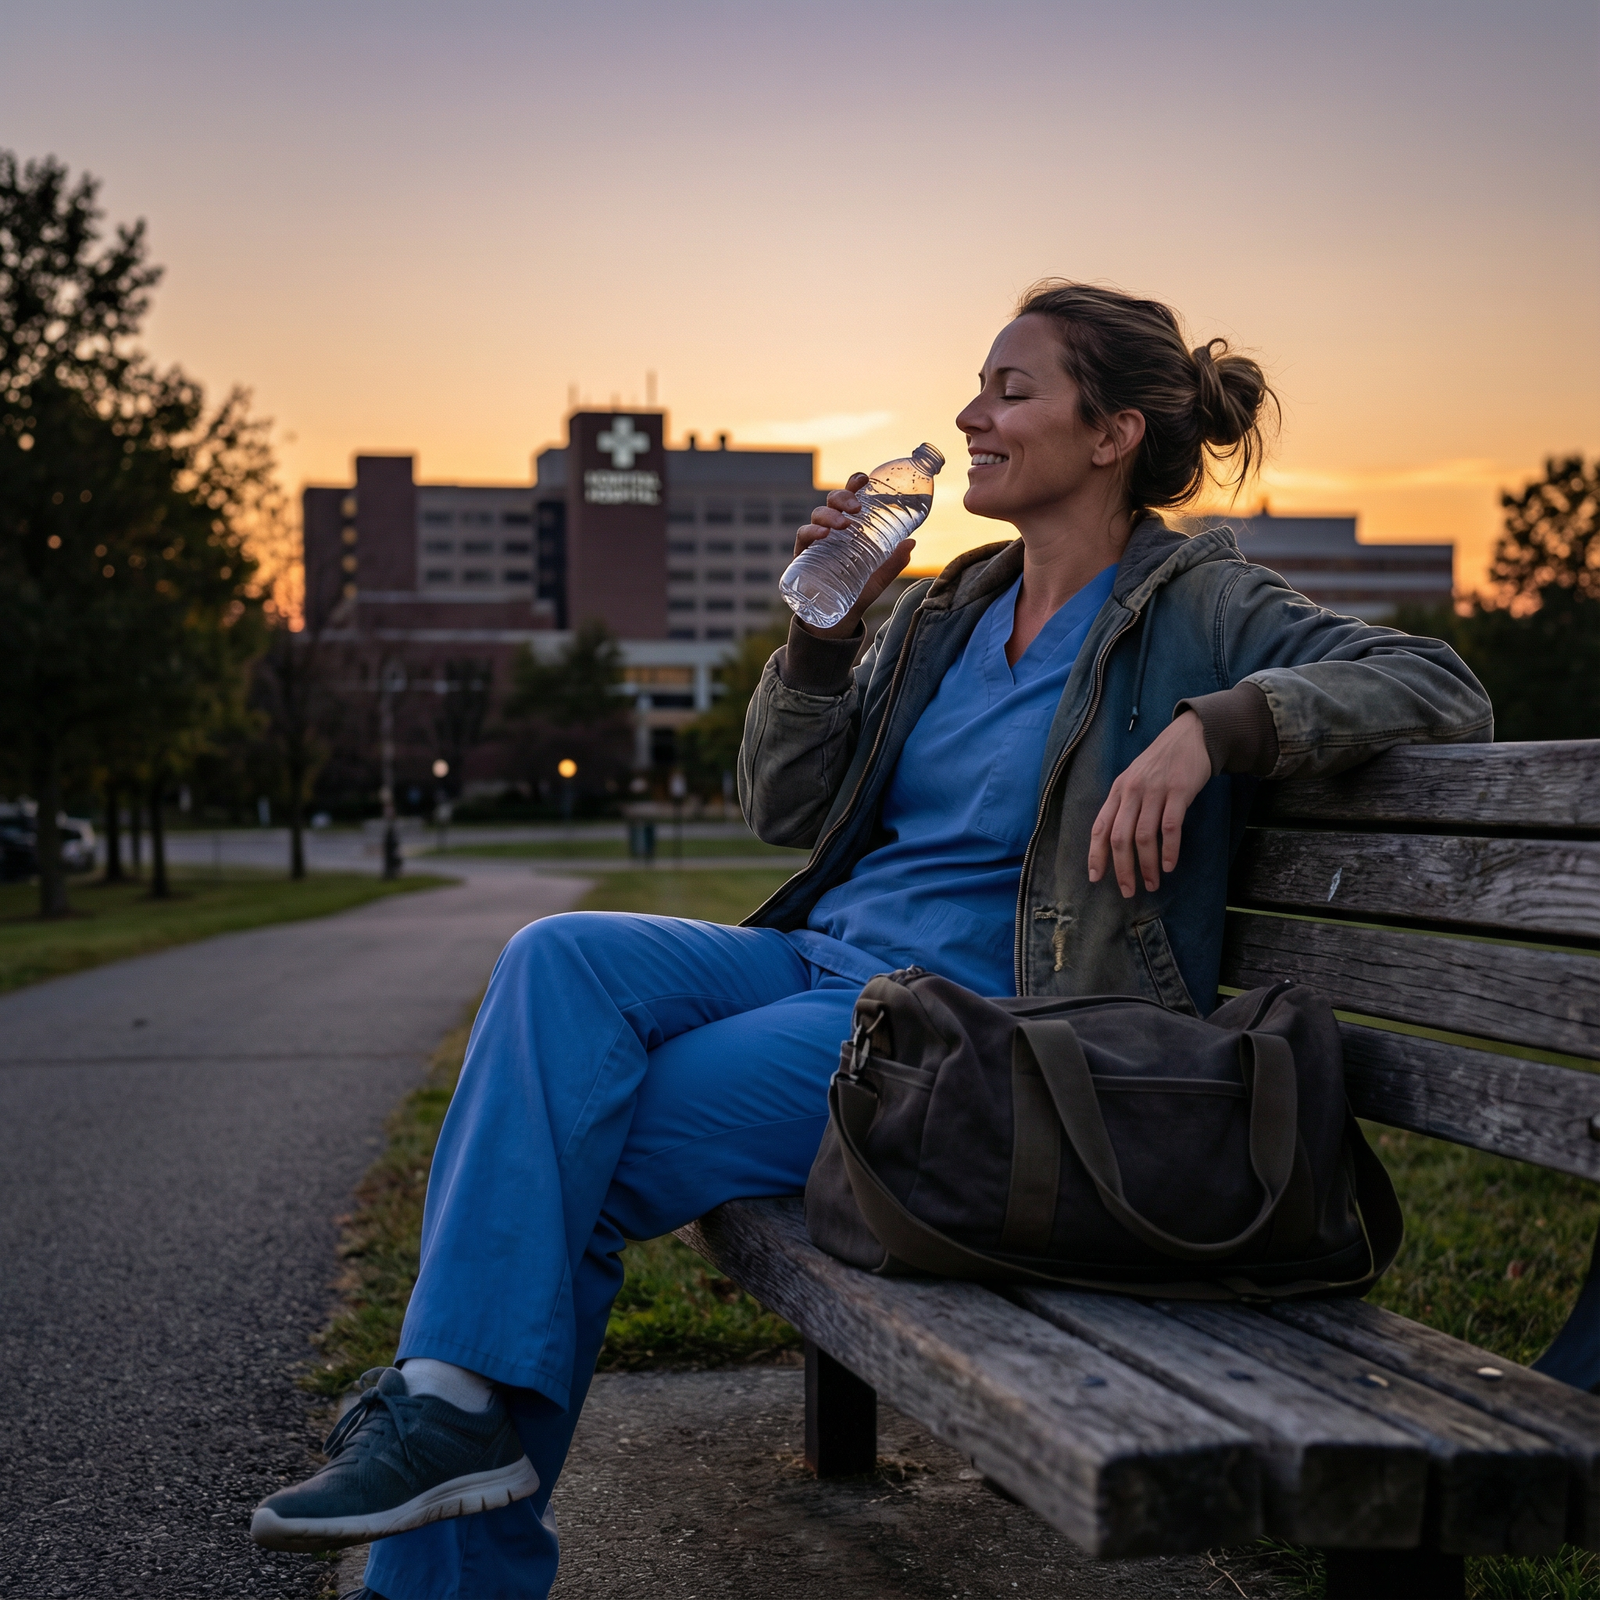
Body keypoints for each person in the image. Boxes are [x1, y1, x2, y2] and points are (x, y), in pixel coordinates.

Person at [252, 281, 1492, 1598]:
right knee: (556, 958)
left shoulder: (1202, 606)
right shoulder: (946, 612)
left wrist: (1211, 729)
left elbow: (1440, 687)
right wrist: (819, 643)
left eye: (1011, 391)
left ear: (1112, 432)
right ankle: (450, 1412)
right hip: (817, 961)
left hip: (959, 1030)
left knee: (570, 1155)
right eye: (977, 387)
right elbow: (785, 810)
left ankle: (442, 1535)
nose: (970, 416)